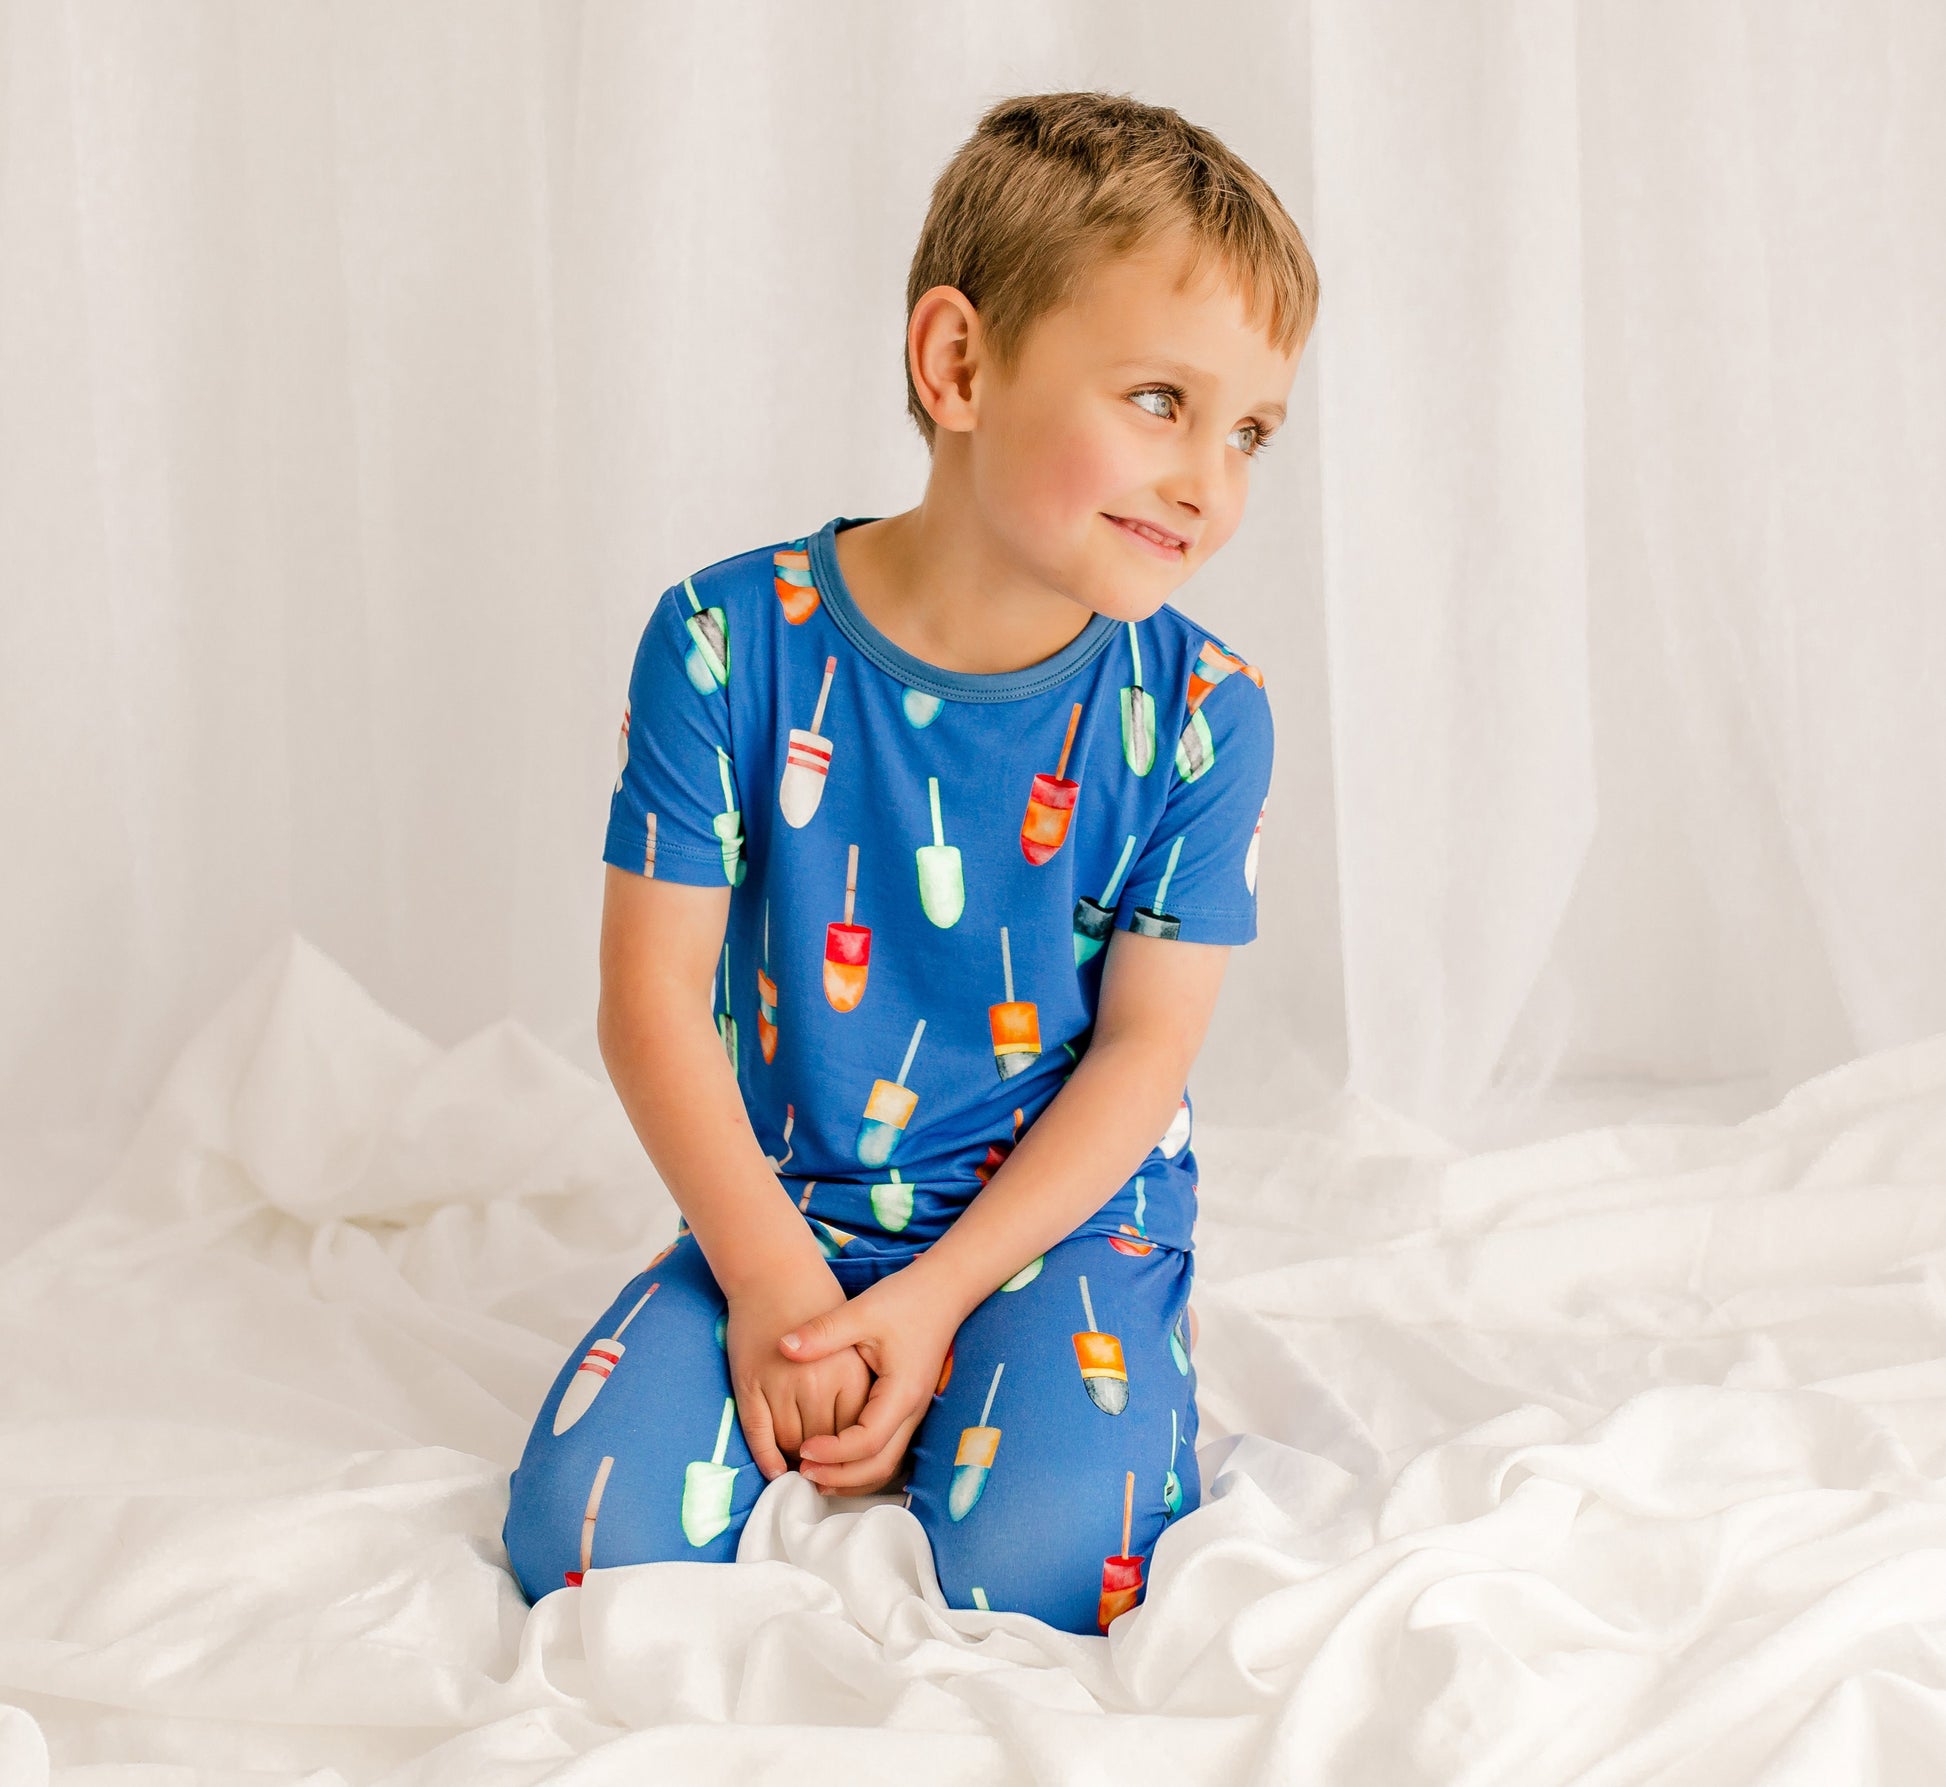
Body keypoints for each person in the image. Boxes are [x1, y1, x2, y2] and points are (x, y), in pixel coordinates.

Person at [502, 89, 1319, 1636]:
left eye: (1249, 431)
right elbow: (651, 1004)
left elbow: (1146, 1051)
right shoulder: (722, 643)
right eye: (1159, 398)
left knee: (1056, 1574)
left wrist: (937, 1302)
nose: (1211, 478)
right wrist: (775, 1286)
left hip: (1058, 1218)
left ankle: (1028, 1378)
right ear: (957, 364)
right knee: (584, 1547)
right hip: (792, 1201)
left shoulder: (1206, 715)